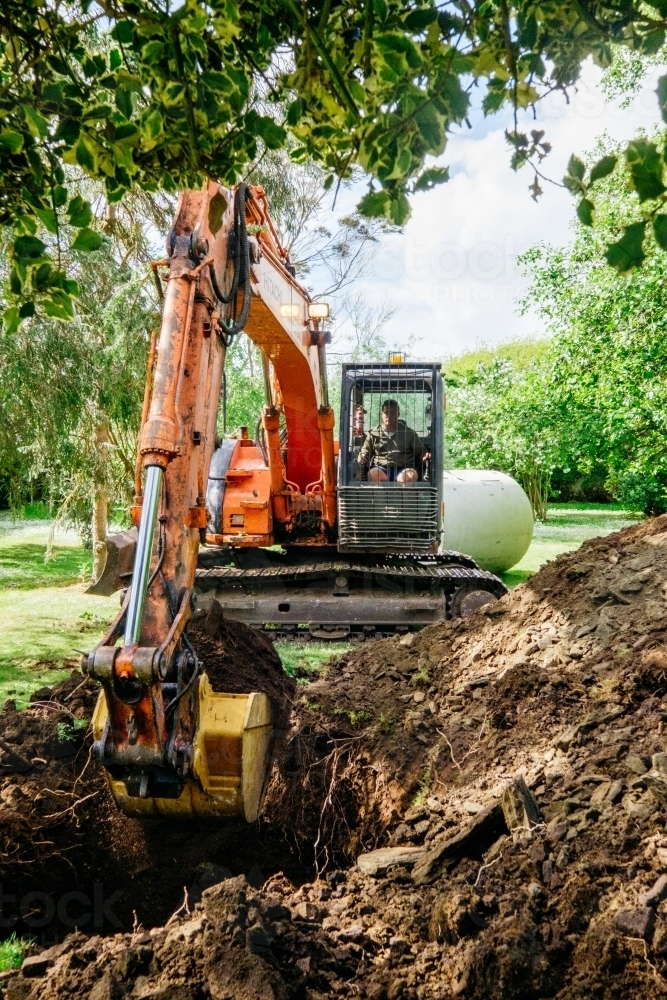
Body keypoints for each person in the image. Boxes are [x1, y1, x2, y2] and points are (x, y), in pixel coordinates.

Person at [358, 399, 427, 483]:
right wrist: (362, 457)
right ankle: (379, 496)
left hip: (404, 468)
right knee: (374, 476)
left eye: (392, 413)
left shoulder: (409, 433)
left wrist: (425, 455)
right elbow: (364, 452)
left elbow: (421, 451)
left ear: (398, 414)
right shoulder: (373, 434)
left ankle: (406, 496)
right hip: (381, 468)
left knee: (410, 476)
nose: (389, 416)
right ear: (382, 414)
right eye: (386, 413)